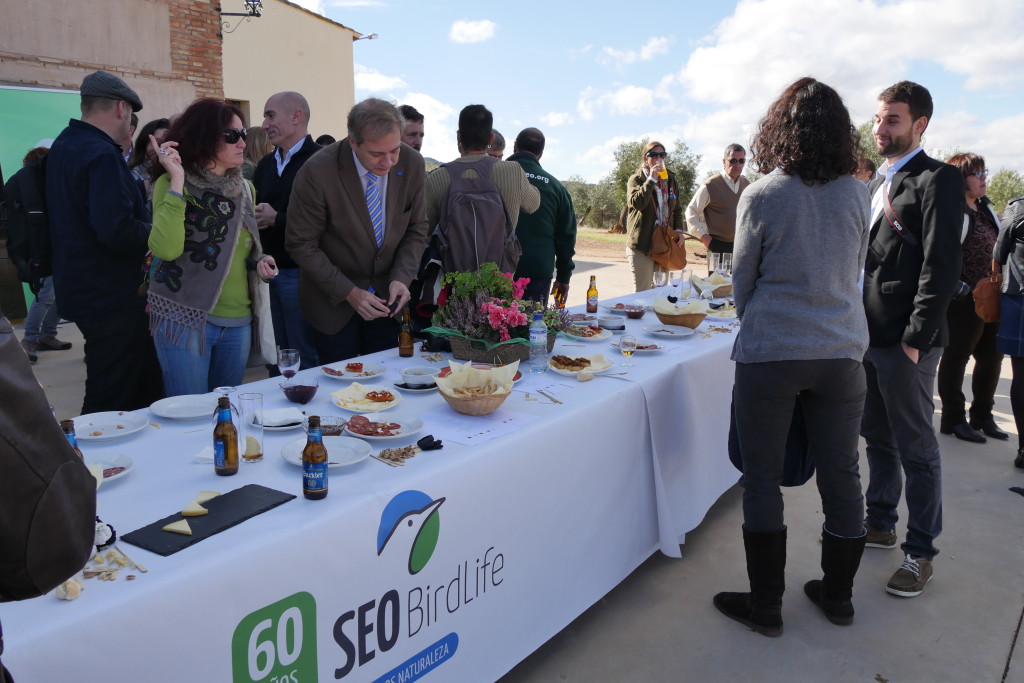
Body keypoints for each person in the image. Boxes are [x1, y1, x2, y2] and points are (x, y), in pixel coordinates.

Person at [714, 77, 871, 637]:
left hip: (774, 350)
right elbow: (853, 267)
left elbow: (743, 278)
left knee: (761, 479)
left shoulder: (763, 192)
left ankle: (766, 605)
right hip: (840, 350)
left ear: (780, 129)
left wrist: (757, 319)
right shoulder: (858, 193)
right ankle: (839, 598)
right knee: (842, 474)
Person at [860, 81, 964, 598]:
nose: (880, 128)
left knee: (917, 446)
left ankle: (920, 552)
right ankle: (880, 521)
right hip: (868, 335)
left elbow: (942, 265)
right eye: (878, 118)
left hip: (907, 340)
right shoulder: (880, 180)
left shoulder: (938, 178)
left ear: (920, 125)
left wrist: (917, 339)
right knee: (877, 436)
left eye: (893, 120)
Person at [46, 70, 164, 414]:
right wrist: (160, 231)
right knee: (109, 397)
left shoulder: (65, 144)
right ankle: (88, 465)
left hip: (87, 291)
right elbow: (117, 230)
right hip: (111, 298)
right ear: (121, 108)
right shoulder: (100, 154)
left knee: (141, 388)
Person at [146, 98, 278, 396]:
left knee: (225, 415)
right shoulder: (170, 182)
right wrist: (178, 180)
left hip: (238, 321)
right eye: (232, 136)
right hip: (185, 318)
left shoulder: (244, 187)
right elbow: (166, 249)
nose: (242, 142)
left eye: (243, 134)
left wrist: (260, 261)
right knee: (189, 416)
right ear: (204, 137)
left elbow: (241, 249)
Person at [286, 97, 429, 363]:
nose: (388, 162)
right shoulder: (317, 171)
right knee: (341, 386)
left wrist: (402, 277)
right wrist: (349, 292)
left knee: (388, 382)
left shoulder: (412, 164)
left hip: (389, 300)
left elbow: (417, 229)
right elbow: (301, 243)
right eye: (376, 154)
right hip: (332, 303)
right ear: (353, 142)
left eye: (394, 150)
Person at [937, 153, 1006, 443]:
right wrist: (959, 288)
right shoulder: (952, 211)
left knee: (992, 357)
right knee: (957, 357)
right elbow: (939, 254)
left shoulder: (985, 208)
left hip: (990, 295)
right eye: (977, 174)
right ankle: (953, 418)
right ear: (959, 179)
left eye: (984, 172)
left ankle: (982, 416)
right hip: (964, 299)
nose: (983, 178)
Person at [424, 104, 540, 271]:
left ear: (458, 137)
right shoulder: (513, 172)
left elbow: (422, 231)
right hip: (499, 283)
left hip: (451, 283)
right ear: (491, 139)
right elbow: (533, 205)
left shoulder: (437, 178)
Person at [253, 91, 322, 371]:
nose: (265, 124)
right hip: (267, 276)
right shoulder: (266, 165)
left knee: (304, 357)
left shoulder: (321, 161)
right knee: (274, 355)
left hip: (301, 276)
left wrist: (277, 219)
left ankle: (308, 414)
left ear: (296, 117)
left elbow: (327, 221)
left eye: (271, 115)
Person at [11, 142, 73, 363]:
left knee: (61, 294)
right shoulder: (32, 181)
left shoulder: (31, 180)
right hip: (44, 248)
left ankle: (46, 335)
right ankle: (30, 339)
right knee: (46, 295)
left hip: (51, 246)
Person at [508, 127, 577, 306]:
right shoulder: (557, 188)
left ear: (514, 146)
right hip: (537, 272)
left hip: (497, 270)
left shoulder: (495, 175)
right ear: (540, 154)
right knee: (531, 329)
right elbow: (566, 237)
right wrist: (564, 276)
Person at [625, 140, 686, 291]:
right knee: (643, 292)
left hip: (664, 243)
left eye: (662, 155)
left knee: (660, 291)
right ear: (645, 158)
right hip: (642, 244)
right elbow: (637, 203)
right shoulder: (637, 179)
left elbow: (677, 209)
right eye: (653, 155)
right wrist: (651, 179)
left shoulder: (670, 180)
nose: (658, 158)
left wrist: (678, 231)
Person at [685, 143, 751, 267]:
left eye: (741, 161)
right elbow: (691, 212)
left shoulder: (746, 184)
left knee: (739, 286)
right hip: (717, 247)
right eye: (733, 160)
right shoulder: (710, 185)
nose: (737, 164)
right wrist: (704, 237)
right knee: (717, 285)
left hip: (741, 246)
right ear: (724, 161)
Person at [994, 197, 1024, 469]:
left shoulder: (1018, 208)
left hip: (1020, 297)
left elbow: (1000, 250)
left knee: (1022, 375)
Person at [128, 117, 170, 200]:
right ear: (144, 145)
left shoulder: (179, 175)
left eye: (167, 143)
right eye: (157, 143)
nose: (162, 149)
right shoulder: (129, 177)